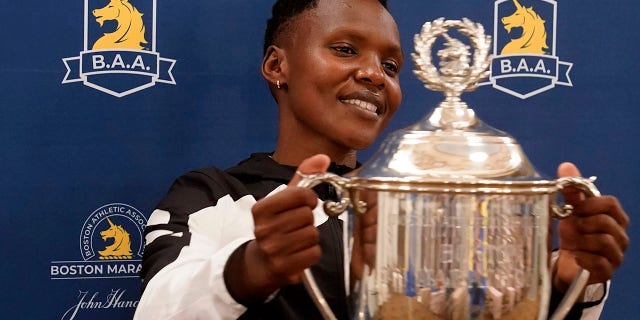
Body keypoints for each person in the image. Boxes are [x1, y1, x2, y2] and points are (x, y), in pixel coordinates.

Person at [133, 0, 630, 319]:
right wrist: (250, 267)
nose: (374, 74)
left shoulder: (425, 199)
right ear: (276, 66)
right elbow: (156, 311)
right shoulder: (214, 195)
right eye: (346, 49)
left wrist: (570, 282)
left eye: (390, 65)